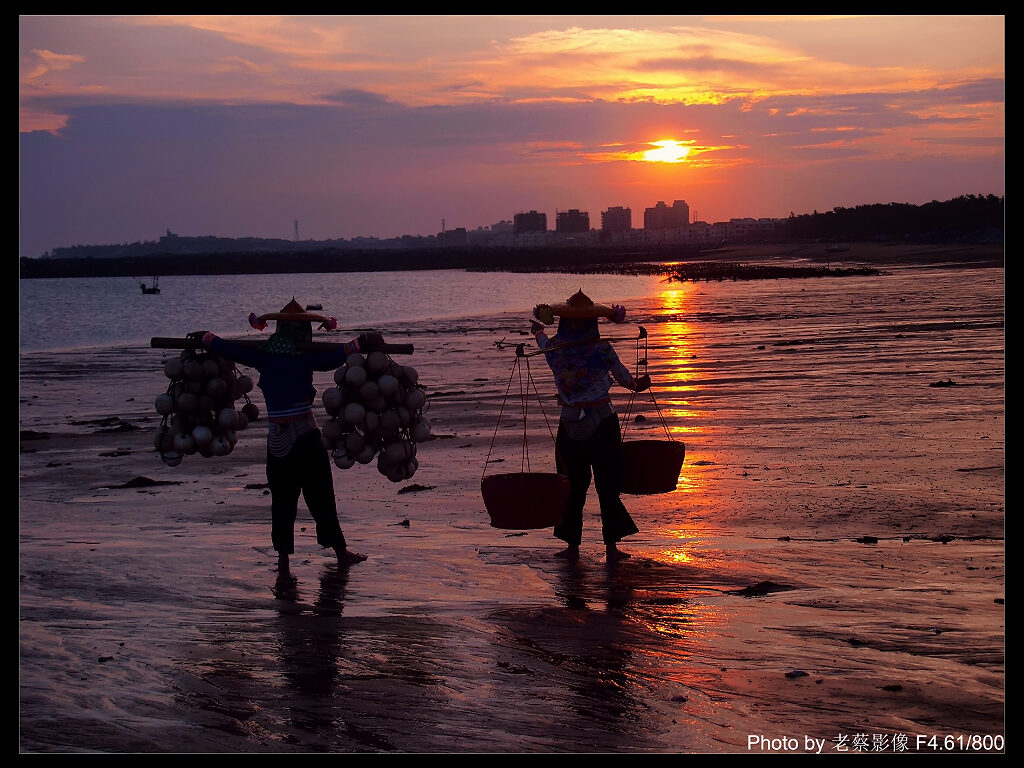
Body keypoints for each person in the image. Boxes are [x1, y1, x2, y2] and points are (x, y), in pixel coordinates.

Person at [196, 298, 384, 572]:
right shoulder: (304, 358)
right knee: (320, 495)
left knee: (282, 500)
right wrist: (360, 342)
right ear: (303, 331)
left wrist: (206, 337)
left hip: (277, 441)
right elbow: (335, 358)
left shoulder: (263, 356)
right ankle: (340, 553)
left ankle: (284, 560)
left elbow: (231, 349)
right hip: (306, 437)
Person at [531, 290, 651, 563]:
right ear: (592, 323)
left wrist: (537, 332)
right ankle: (611, 548)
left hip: (569, 423)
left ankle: (572, 547)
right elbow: (622, 376)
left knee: (572, 485)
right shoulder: (602, 349)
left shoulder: (555, 350)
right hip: (602, 421)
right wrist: (635, 385)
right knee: (607, 484)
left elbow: (541, 342)